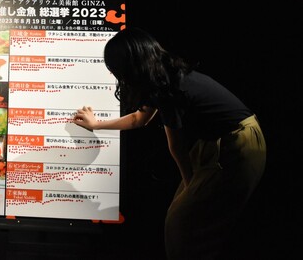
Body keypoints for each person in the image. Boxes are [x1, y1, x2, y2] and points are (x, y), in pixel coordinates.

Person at [73, 27, 266, 260]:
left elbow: (177, 148)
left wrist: (190, 188)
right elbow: (138, 119)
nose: (116, 76)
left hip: (239, 144)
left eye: (116, 70)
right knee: (184, 221)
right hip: (224, 140)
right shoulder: (163, 77)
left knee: (183, 222)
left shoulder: (169, 88)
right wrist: (96, 124)